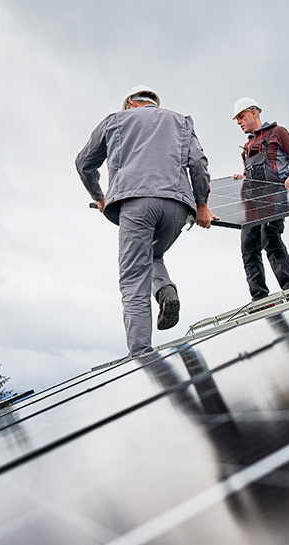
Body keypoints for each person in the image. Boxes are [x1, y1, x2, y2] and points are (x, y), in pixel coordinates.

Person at [76, 85, 218, 359]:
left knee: (133, 280)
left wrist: (99, 196)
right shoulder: (181, 121)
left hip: (136, 204)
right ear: (155, 103)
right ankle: (165, 290)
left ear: (130, 102)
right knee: (152, 256)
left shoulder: (116, 120)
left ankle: (140, 356)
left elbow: (83, 164)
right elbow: (198, 163)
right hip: (177, 208)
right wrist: (202, 204)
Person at [231, 97, 289, 301]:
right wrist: (244, 177)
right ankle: (260, 299)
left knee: (270, 239)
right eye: (236, 119)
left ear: (254, 112)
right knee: (248, 247)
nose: (238, 122)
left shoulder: (278, 133)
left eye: (241, 116)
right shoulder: (247, 146)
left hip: (275, 201)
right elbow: (255, 175)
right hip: (252, 204)